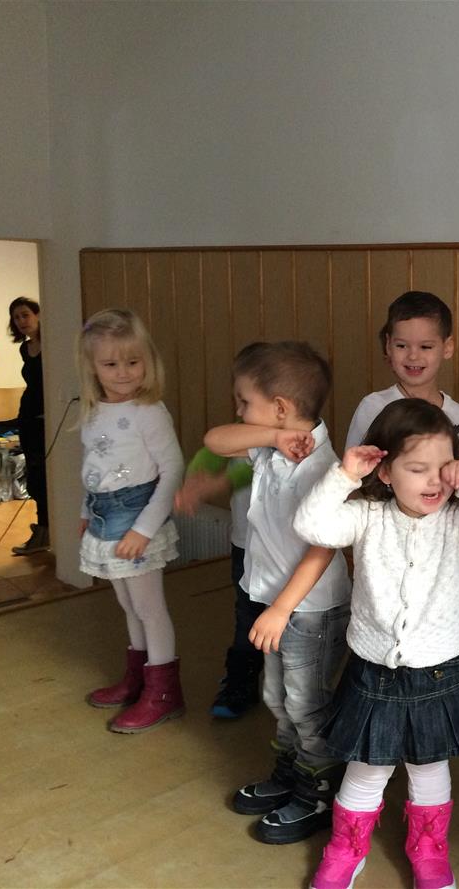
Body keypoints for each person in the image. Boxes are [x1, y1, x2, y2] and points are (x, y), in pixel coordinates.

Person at [295, 399, 459, 889]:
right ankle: (346, 848)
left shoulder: (458, 518)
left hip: (440, 667)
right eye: (417, 469)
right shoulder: (367, 515)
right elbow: (311, 525)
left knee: (428, 765)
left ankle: (429, 849)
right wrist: (344, 475)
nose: (433, 480)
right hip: (375, 667)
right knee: (367, 768)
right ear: (386, 472)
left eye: (443, 467)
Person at [203, 341, 352, 845]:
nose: (238, 410)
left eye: (245, 401)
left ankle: (319, 791)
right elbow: (214, 440)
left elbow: (322, 549)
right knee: (278, 697)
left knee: (307, 704)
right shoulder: (270, 446)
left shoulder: (322, 468)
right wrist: (272, 434)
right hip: (277, 604)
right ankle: (290, 775)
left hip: (308, 610)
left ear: (282, 406)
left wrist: (282, 609)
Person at [77, 308, 185, 732]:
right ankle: (138, 680)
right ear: (92, 367)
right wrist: (85, 513)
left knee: (149, 607)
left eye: (133, 361)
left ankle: (164, 693)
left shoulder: (149, 411)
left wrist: (143, 529)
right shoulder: (93, 409)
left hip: (137, 515)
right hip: (103, 514)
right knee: (127, 605)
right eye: (110, 364)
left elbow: (172, 471)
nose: (123, 373)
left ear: (148, 361)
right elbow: (93, 467)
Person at [344, 290, 459, 461]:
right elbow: (352, 470)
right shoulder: (372, 407)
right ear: (388, 345)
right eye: (402, 346)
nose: (413, 356)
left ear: (447, 347)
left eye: (425, 347)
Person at [175, 445, 260, 718]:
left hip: (284, 549)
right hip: (244, 543)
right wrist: (194, 479)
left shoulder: (292, 434)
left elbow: (256, 466)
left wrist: (217, 484)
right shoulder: (239, 431)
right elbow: (212, 450)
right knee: (246, 615)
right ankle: (241, 682)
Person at [8, 297, 48, 555]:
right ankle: (43, 529)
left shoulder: (52, 344)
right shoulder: (25, 348)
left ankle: (47, 529)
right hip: (27, 417)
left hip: (46, 418)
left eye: (25, 315)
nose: (21, 321)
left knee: (45, 476)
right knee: (33, 477)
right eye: (16, 317)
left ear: (38, 314)